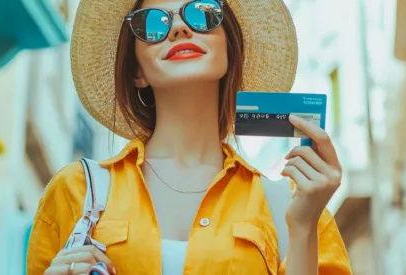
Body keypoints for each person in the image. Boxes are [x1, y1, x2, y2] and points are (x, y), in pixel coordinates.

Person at [27, 0, 352, 274]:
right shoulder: (75, 192)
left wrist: (305, 228)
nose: (180, 28)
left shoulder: (295, 205)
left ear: (230, 52)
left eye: (203, 12)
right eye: (153, 23)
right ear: (136, 72)